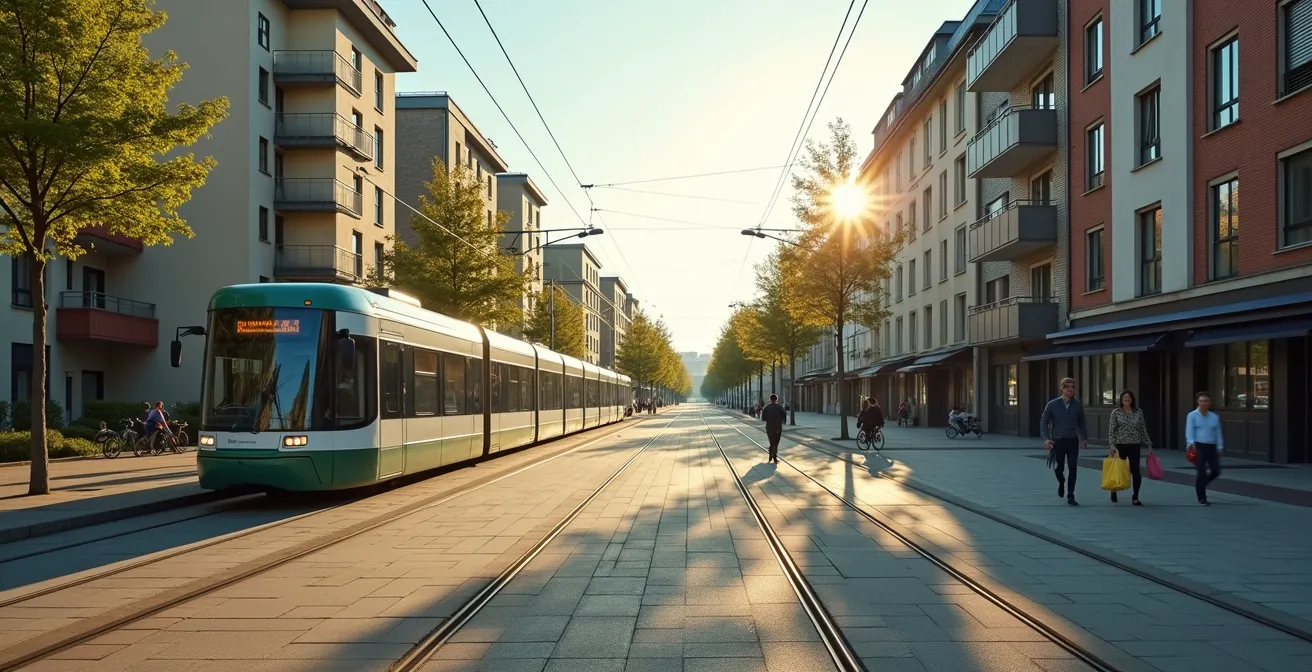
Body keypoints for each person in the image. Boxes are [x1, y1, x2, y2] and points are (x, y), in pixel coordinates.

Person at [1040, 378, 1088, 506]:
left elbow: (1082, 422)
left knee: (1073, 467)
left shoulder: (1077, 405)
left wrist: (1084, 438)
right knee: (1059, 468)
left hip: (1072, 440)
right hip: (1058, 441)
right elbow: (1044, 421)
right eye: (1067, 387)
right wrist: (1046, 439)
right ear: (1062, 388)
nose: (1070, 389)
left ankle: (1071, 495)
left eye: (1072, 387)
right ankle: (1061, 482)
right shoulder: (1053, 404)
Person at [1108, 390, 1152, 505]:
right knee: (1118, 469)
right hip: (1120, 445)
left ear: (1132, 400)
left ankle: (1135, 496)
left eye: (1129, 398)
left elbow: (1142, 429)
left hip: (1134, 445)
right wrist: (1112, 446)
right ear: (1121, 400)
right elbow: (1111, 430)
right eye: (1125, 398)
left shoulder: (1138, 412)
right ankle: (1114, 490)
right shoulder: (1116, 412)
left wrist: (1149, 443)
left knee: (1136, 472)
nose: (1127, 399)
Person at [1186, 391, 1223, 506]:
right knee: (1201, 472)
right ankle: (1202, 497)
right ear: (1198, 402)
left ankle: (1201, 485)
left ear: (1210, 402)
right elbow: (1189, 431)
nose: (1204, 403)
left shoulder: (1214, 417)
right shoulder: (1192, 415)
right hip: (1198, 446)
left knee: (1215, 471)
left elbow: (1218, 432)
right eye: (1202, 401)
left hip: (1211, 446)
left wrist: (1220, 446)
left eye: (1206, 401)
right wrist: (1190, 444)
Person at [760, 393, 787, 463]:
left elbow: (763, 419)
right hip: (778, 427)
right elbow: (784, 418)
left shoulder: (766, 407)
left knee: (771, 441)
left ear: (770, 399)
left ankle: (771, 454)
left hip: (769, 427)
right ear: (776, 399)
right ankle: (774, 456)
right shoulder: (780, 408)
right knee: (776, 442)